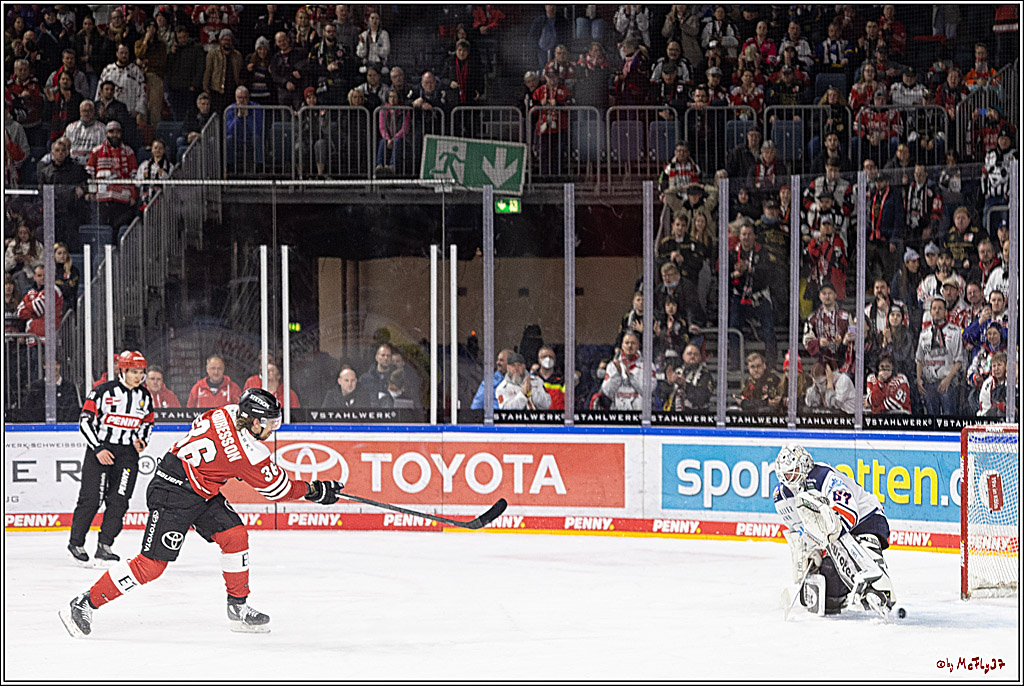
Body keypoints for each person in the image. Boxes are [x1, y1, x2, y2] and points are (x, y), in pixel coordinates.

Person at [59, 388, 345, 638]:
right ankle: (85, 603)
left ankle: (238, 608)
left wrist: (227, 467)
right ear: (255, 421)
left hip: (198, 488)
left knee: (234, 536)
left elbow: (215, 441)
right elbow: (278, 488)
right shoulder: (250, 455)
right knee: (152, 565)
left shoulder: (225, 411)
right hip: (172, 492)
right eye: (270, 423)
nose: (274, 429)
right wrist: (316, 490)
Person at [773, 445, 897, 617]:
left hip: (867, 518)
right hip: (832, 536)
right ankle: (845, 592)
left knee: (866, 547)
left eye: (794, 471)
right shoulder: (781, 497)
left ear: (805, 464)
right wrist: (811, 552)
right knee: (829, 596)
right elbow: (798, 530)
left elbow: (849, 513)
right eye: (786, 474)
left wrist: (831, 536)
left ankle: (880, 587)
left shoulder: (822, 476)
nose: (790, 478)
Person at [67, 350, 154, 565]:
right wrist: (97, 448)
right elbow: (85, 422)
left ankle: (105, 545)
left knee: (119, 500)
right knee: (91, 499)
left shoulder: (144, 396)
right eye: (133, 371)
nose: (138, 376)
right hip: (101, 450)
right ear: (122, 370)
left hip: (127, 454)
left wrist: (142, 440)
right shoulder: (101, 392)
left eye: (141, 372)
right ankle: (76, 542)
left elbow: (147, 422)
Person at [86, 119, 138, 237]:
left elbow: (134, 176)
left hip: (122, 199)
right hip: (101, 198)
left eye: (117, 132)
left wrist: (133, 195)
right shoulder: (97, 151)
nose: (114, 135)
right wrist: (91, 192)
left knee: (118, 229)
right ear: (106, 133)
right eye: (111, 132)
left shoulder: (128, 151)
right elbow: (90, 173)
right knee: (102, 231)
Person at [915, 298, 963, 416]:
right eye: (934, 308)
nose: (937, 311)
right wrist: (919, 379)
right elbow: (919, 359)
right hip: (929, 383)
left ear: (946, 311)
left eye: (940, 308)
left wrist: (948, 379)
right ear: (930, 312)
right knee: (931, 419)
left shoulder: (955, 331)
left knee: (949, 418)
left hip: (948, 382)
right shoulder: (924, 334)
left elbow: (959, 360)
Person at [660, 342, 713, 412]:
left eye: (695, 354)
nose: (692, 356)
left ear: (700, 357)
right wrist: (669, 383)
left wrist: (685, 385)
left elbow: (702, 398)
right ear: (683, 356)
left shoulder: (706, 375)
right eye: (689, 354)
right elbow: (662, 395)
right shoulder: (676, 371)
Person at [601, 332, 644, 411]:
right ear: (622, 346)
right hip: (618, 415)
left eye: (633, 343)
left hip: (640, 415)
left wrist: (631, 377)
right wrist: (618, 374)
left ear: (638, 345)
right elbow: (607, 391)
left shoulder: (646, 366)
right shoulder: (613, 365)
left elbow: (646, 391)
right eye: (627, 343)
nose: (629, 346)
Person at [978, 352, 1007, 418]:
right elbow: (984, 407)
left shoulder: (1012, 382)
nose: (996, 368)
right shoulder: (987, 383)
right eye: (994, 366)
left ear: (1006, 366)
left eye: (999, 365)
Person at [535, 346, 564, 410]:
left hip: (556, 417)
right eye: (544, 356)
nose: (548, 359)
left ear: (554, 360)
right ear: (539, 360)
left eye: (551, 357)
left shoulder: (562, 380)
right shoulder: (532, 379)